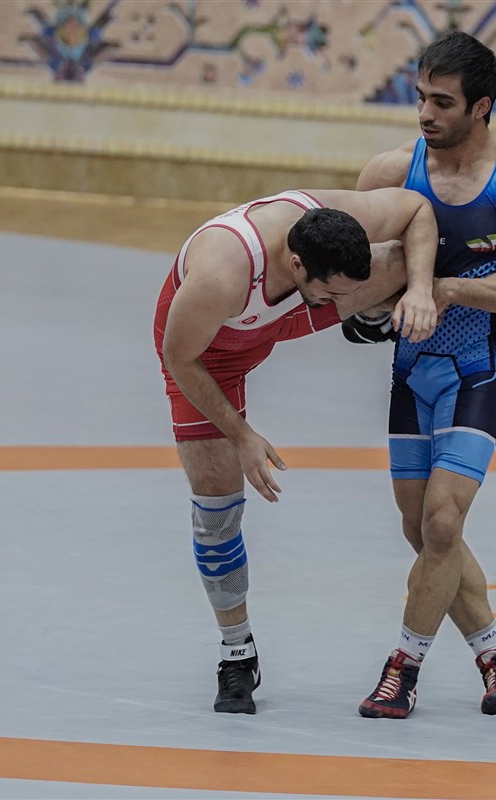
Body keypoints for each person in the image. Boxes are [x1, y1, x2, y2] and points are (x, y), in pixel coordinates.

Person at [153, 188, 440, 714]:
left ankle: (368, 310)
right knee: (217, 515)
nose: (335, 299)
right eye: (331, 292)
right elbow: (178, 357)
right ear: (296, 263)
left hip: (279, 312)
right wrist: (242, 435)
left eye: (343, 295)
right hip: (206, 352)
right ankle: (237, 654)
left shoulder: (328, 220)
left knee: (404, 260)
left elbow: (417, 208)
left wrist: (418, 289)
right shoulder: (221, 274)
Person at [351, 31, 496, 718]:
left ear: (482, 106)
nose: (424, 114)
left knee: (443, 523)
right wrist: (362, 311)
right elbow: (349, 271)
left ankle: (402, 669)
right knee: (422, 530)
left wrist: (443, 290)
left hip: (479, 367)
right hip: (412, 369)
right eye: (420, 97)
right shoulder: (389, 172)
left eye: (442, 102)